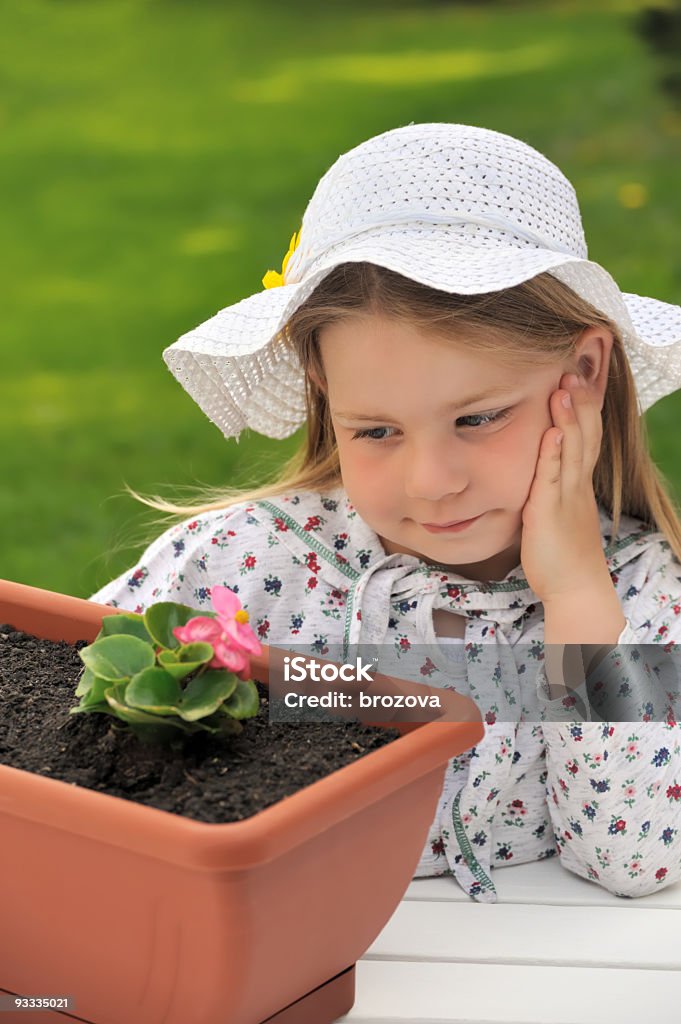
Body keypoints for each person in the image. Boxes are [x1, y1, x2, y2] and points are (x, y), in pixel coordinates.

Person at [89, 122, 681, 903]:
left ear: (584, 369)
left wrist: (575, 602)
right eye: (376, 431)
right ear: (323, 391)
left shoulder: (638, 593)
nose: (430, 482)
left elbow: (633, 858)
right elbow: (51, 734)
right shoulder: (237, 563)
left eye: (477, 418)